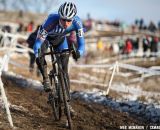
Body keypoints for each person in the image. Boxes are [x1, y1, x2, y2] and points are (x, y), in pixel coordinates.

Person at [33, 2, 85, 93]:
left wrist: (79, 53)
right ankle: (45, 78)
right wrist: (37, 54)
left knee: (64, 70)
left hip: (59, 39)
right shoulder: (51, 21)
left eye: (69, 20)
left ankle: (67, 101)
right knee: (40, 54)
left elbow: (81, 44)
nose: (66, 23)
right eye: (63, 19)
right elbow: (37, 43)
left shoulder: (77, 22)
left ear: (73, 19)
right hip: (46, 38)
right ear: (59, 16)